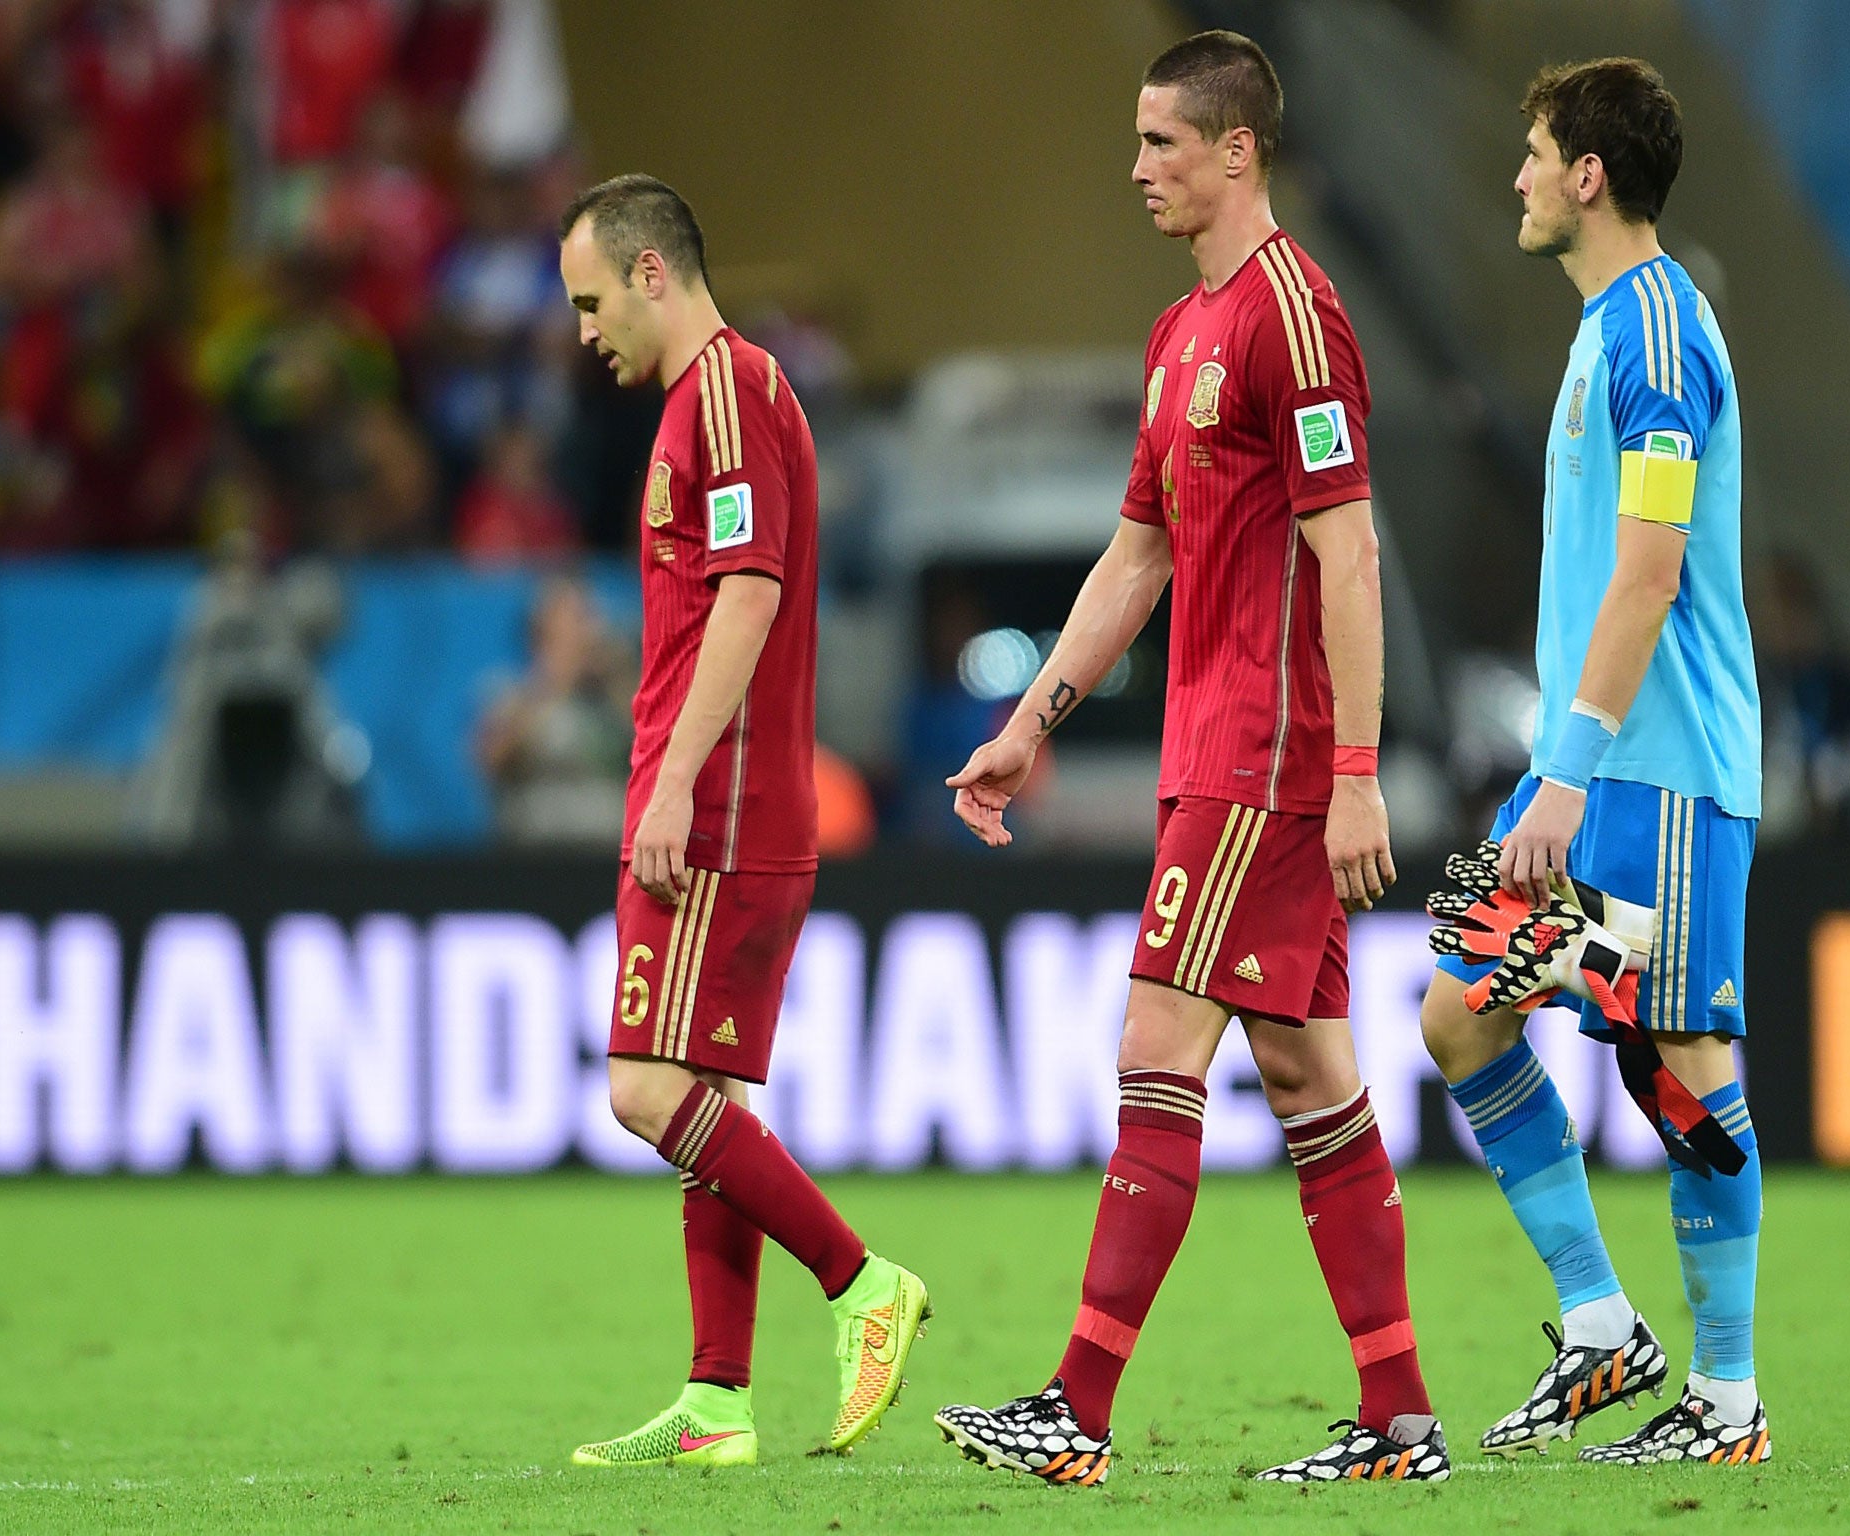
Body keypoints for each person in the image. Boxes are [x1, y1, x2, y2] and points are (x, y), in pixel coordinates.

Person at [935, 31, 1447, 1488]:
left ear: (1239, 150)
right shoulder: (1179, 337)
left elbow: (1349, 554)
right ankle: (1402, 1420)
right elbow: (1139, 553)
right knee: (1302, 1071)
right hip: (1211, 745)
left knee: (1158, 1047)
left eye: (1163, 142)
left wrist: (1355, 767)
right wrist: (1030, 723)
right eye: (1138, 140)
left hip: (1264, 751)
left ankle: (1076, 1411)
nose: (1138, 168)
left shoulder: (1299, 315)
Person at [1420, 59, 1768, 1466]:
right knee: (1460, 1017)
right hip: (1592, 764)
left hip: (1658, 769)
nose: (1516, 173)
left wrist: (1564, 771)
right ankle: (1600, 1328)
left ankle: (1729, 1401)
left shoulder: (1662, 337)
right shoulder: (1607, 329)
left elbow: (1650, 574)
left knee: (1684, 1063)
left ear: (1588, 176)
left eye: (1535, 149)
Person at [557, 175, 929, 1469]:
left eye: (593, 300)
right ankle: (718, 1403)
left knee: (644, 1089)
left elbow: (750, 596)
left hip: (712, 809)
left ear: (652, 274)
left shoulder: (726, 395)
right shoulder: (706, 405)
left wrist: (669, 781)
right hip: (707, 798)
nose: (585, 329)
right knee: (699, 1090)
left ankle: (861, 1284)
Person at [475, 572, 631, 843]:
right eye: (576, 618)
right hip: (535, 852)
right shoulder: (510, 692)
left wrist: (617, 677)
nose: (587, 630)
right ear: (541, 630)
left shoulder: (615, 691)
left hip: (608, 848)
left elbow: (653, 750)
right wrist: (553, 684)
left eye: (589, 617)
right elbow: (490, 763)